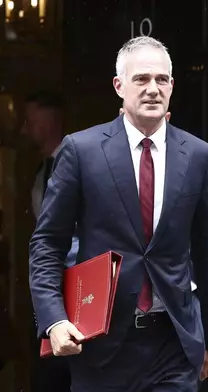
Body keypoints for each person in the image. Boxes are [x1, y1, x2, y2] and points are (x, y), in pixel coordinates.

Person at [29, 36, 208, 392]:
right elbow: (47, 243)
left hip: (173, 342)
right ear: (119, 86)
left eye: (162, 79)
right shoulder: (82, 150)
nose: (153, 89)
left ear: (172, 86)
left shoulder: (200, 155)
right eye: (141, 79)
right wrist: (54, 320)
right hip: (101, 345)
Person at [20, 91, 77, 392]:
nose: (24, 129)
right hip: (47, 288)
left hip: (73, 291)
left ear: (52, 120)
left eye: (31, 120)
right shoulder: (41, 170)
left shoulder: (75, 167)